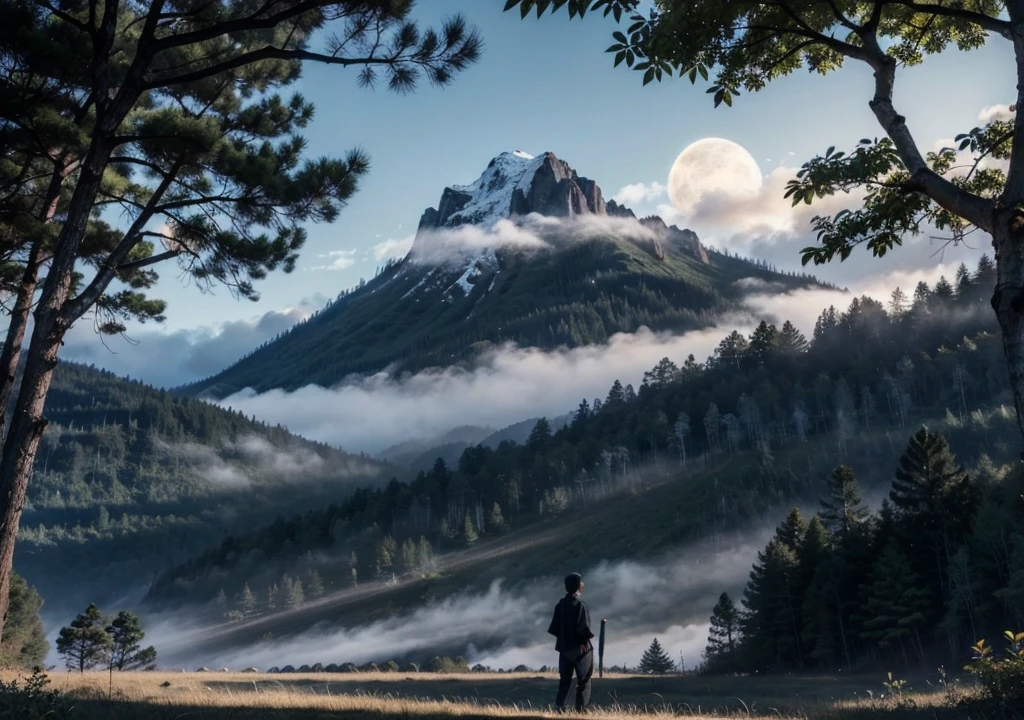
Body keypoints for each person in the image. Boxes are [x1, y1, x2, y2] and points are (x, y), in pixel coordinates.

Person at [547, 572, 594, 713]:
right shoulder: (580, 605)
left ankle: (559, 707)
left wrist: (565, 640)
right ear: (578, 586)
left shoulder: (560, 605)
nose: (583, 585)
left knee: (565, 680)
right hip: (581, 650)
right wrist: (587, 638)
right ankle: (581, 709)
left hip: (564, 649)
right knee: (584, 681)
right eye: (581, 582)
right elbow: (583, 628)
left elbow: (554, 628)